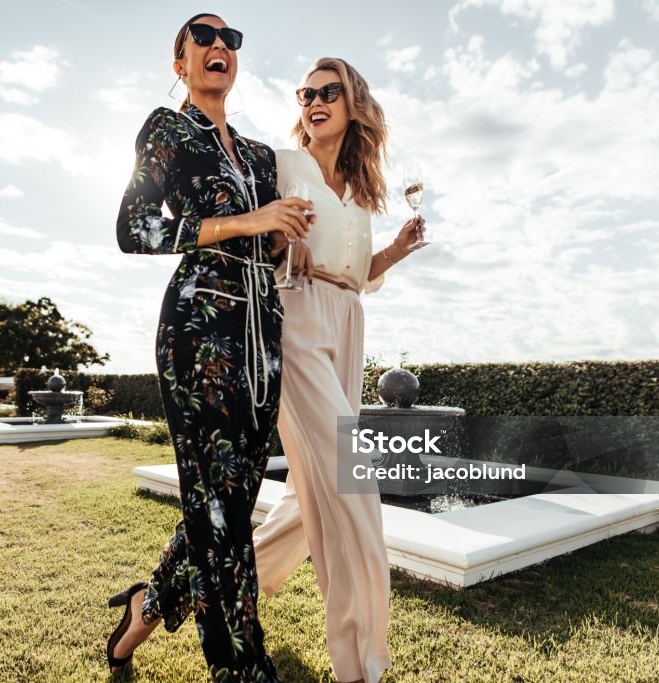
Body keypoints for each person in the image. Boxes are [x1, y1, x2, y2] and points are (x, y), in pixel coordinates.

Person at [108, 12, 313, 681]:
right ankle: (240, 661)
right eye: (205, 36)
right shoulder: (168, 129)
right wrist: (248, 220)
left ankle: (146, 604)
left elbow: (270, 243)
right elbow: (134, 228)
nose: (221, 45)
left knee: (230, 496)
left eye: (231, 39)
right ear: (181, 63)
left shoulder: (259, 154)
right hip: (199, 327)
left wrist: (282, 234)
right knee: (212, 499)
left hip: (264, 331)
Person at [252, 57, 427, 683]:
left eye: (330, 91)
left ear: (353, 104)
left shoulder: (360, 190)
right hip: (296, 312)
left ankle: (235, 578)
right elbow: (262, 242)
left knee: (309, 489)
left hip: (349, 317)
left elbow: (356, 271)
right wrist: (276, 237)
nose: (315, 101)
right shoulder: (281, 162)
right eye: (306, 92)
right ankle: (362, 664)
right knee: (353, 488)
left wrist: (396, 252)